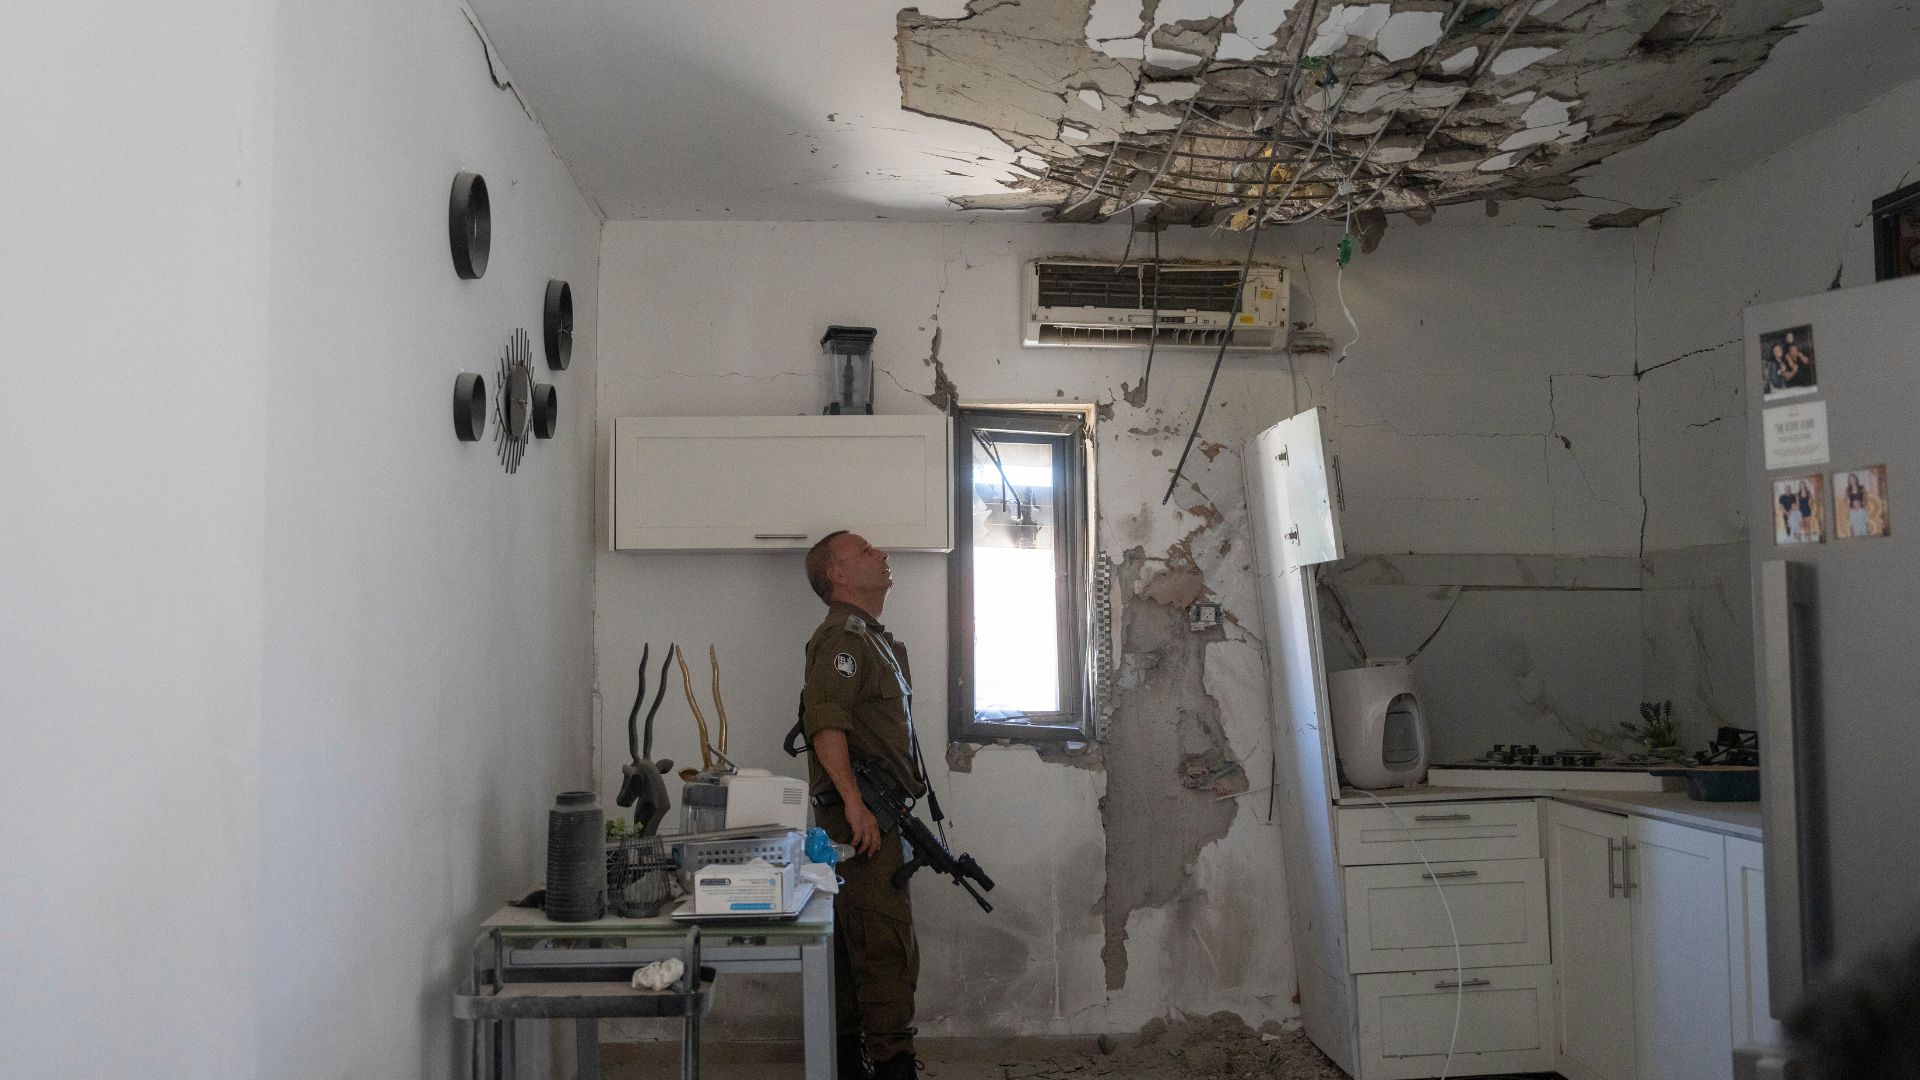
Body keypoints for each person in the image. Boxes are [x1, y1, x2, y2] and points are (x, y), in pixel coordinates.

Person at [799, 530, 925, 1080]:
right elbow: (825, 724)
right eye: (866, 551)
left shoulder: (872, 639)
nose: (882, 553)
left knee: (863, 944)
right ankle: (892, 1066)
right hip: (861, 818)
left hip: (878, 811)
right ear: (838, 575)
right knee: (883, 945)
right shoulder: (842, 639)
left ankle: (851, 1064)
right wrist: (854, 805)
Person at [1846, 473, 1869, 537]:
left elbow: (1866, 497)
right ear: (1848, 481)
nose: (1851, 480)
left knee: (1864, 527)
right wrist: (1848, 512)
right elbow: (1848, 501)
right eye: (1850, 479)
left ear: (1856, 479)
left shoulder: (1861, 487)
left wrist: (1866, 506)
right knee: (1853, 528)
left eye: (1853, 478)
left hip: (1861, 509)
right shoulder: (1848, 489)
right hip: (1852, 510)